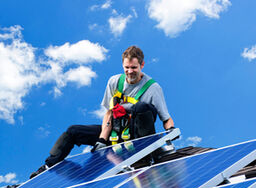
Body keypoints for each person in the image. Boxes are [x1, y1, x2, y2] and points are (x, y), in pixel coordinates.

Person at [30, 46, 174, 179]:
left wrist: (171, 134)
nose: (130, 71)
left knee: (142, 107)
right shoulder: (114, 82)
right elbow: (109, 113)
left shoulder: (153, 88)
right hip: (115, 133)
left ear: (142, 65)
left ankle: (144, 157)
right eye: (127, 67)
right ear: (123, 66)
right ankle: (49, 166)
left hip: (136, 136)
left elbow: (166, 119)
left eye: (134, 67)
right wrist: (102, 140)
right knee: (73, 131)